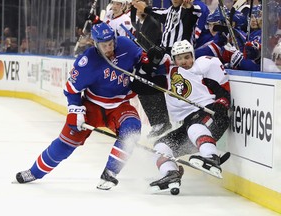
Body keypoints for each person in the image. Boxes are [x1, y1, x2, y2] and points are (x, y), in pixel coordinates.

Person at [15, 22, 144, 190]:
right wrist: (76, 110)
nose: (109, 48)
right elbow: (71, 89)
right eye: (104, 45)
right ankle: (34, 172)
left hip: (120, 105)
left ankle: (110, 173)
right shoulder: (87, 61)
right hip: (92, 107)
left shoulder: (126, 46)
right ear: (95, 43)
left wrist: (152, 61)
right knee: (66, 143)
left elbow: (144, 61)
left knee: (132, 129)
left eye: (111, 43)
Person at [131, 39, 231, 194]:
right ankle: (170, 173)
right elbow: (140, 87)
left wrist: (222, 103)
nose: (184, 61)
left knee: (195, 127)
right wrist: (145, 68)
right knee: (161, 146)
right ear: (174, 60)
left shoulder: (201, 70)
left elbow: (223, 93)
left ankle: (212, 157)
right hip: (189, 125)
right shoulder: (169, 77)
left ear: (193, 56)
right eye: (179, 58)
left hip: (212, 116)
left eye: (187, 57)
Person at [130, 0, 172, 137]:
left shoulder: (151, 23)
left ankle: (161, 122)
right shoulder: (142, 23)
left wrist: (150, 63)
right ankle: (158, 122)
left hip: (157, 62)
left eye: (139, 8)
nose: (138, 11)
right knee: (140, 86)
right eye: (136, 9)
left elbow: (153, 47)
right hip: (151, 61)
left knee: (147, 86)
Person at [132, 0, 205, 54]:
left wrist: (189, 6)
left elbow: (196, 10)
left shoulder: (189, 10)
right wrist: (136, 3)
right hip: (165, 52)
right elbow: (148, 10)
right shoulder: (167, 12)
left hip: (181, 52)